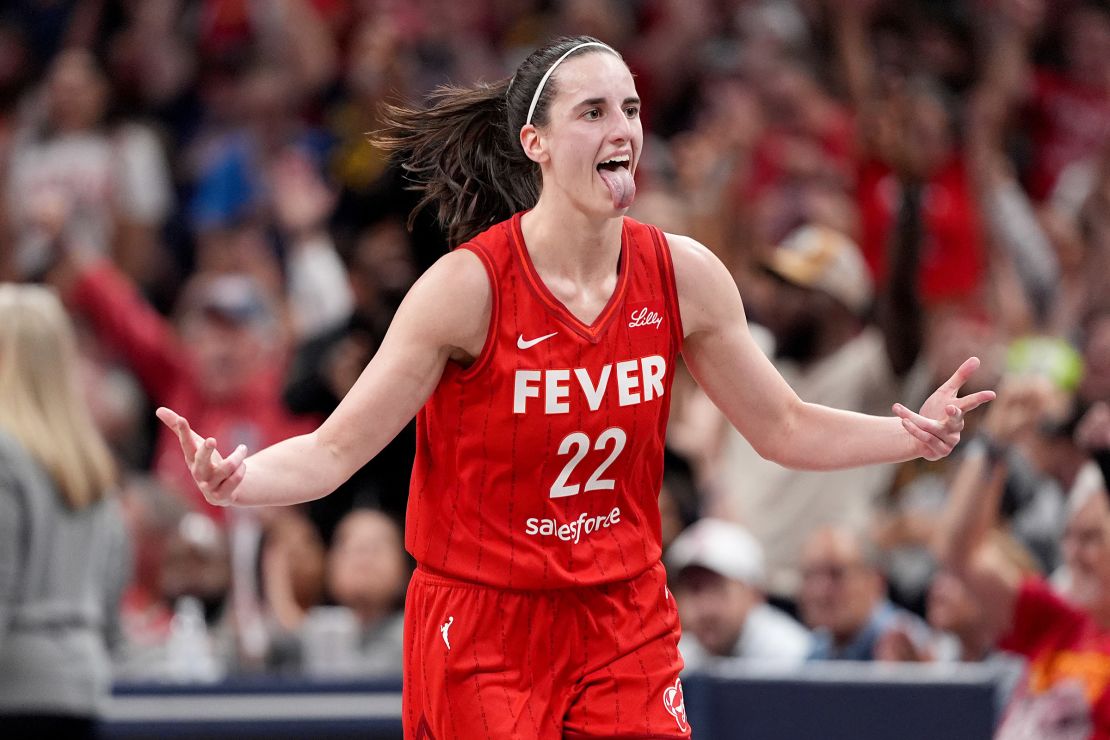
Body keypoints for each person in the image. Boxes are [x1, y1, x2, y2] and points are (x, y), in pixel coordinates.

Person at [157, 36, 993, 739]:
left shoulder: (684, 274)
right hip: (483, 619)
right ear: (537, 143)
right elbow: (336, 449)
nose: (621, 127)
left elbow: (782, 424)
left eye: (629, 108)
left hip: (621, 612)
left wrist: (909, 434)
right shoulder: (468, 289)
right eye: (592, 112)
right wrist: (242, 480)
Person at [0, 284, 130, 739]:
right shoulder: (92, 465)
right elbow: (112, 613)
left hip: (12, 691)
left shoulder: (4, 456)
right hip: (80, 691)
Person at [667, 518, 810, 668]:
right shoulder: (678, 657)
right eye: (694, 590)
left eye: (717, 589)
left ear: (755, 594)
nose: (705, 608)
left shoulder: (794, 658)